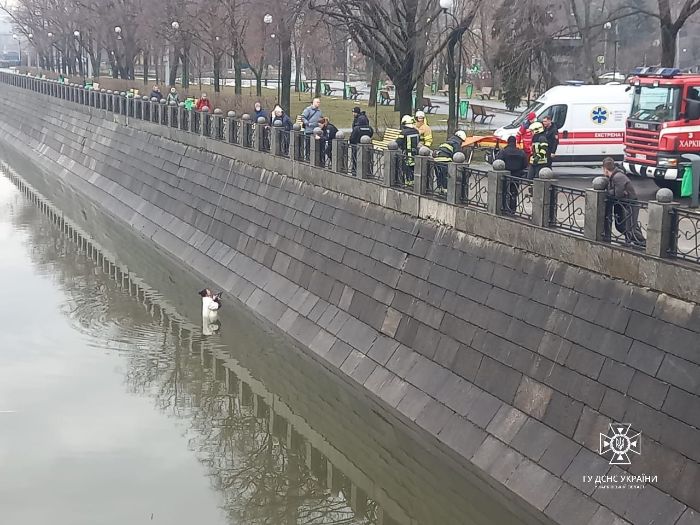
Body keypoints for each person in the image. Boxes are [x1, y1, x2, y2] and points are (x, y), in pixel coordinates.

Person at [603, 157, 646, 246]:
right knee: (624, 226)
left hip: (629, 205)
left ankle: (644, 244)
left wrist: (608, 192)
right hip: (624, 205)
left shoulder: (618, 177)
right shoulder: (614, 176)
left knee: (630, 228)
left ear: (605, 169)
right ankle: (635, 243)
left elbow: (618, 194)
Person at [496, 135, 528, 213]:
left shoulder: (503, 151)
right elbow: (525, 164)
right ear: (515, 142)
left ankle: (504, 208)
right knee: (514, 193)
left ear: (508, 142)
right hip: (517, 175)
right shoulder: (521, 152)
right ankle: (512, 209)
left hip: (505, 175)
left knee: (505, 192)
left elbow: (498, 162)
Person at [433, 130, 467, 195]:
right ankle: (446, 190)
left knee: (440, 175)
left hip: (437, 160)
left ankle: (440, 188)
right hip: (445, 160)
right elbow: (457, 154)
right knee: (447, 175)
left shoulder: (448, 141)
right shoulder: (456, 143)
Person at [396, 115, 420, 187]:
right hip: (415, 154)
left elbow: (398, 143)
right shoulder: (416, 131)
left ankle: (408, 183)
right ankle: (414, 182)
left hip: (407, 155)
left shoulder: (403, 133)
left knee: (406, 169)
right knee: (414, 169)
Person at [349, 110, 373, 175]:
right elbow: (371, 134)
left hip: (356, 146)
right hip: (367, 147)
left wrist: (352, 142)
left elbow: (352, 137)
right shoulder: (369, 128)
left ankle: (354, 171)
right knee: (368, 160)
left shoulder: (357, 128)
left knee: (355, 160)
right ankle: (368, 172)